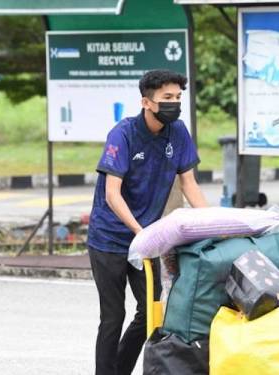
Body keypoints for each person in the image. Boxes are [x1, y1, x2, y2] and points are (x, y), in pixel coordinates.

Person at [87, 69, 208, 375]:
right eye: (167, 98)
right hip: (109, 238)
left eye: (178, 97)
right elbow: (113, 194)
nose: (174, 103)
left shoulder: (178, 132)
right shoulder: (123, 134)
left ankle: (120, 370)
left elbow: (189, 184)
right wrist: (140, 232)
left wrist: (213, 223)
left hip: (146, 240)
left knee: (150, 312)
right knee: (113, 317)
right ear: (146, 102)